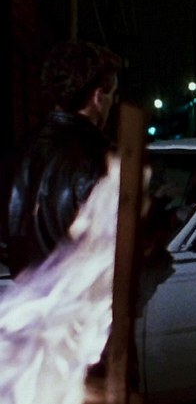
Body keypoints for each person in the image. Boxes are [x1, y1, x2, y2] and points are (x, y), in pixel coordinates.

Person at [0, 40, 122, 279]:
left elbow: (5, 241)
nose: (112, 104)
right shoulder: (99, 157)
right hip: (82, 297)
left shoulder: (17, 152)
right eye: (112, 95)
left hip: (26, 295)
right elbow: (114, 246)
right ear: (98, 97)